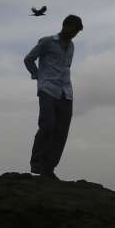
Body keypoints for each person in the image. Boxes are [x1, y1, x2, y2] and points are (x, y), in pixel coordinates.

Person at [23, 14, 82, 180]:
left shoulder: (71, 47)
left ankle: (49, 168)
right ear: (65, 25)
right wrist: (37, 76)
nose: (74, 34)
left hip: (66, 93)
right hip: (48, 89)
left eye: (77, 33)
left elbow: (65, 67)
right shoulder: (47, 42)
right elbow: (29, 59)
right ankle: (37, 163)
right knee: (47, 125)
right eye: (73, 30)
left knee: (61, 132)